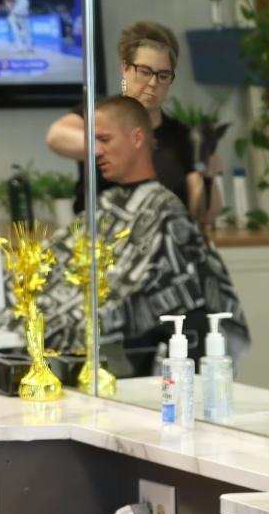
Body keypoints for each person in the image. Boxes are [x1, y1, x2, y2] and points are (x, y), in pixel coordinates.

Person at [38, 96, 248, 374]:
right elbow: (56, 136)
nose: (96, 151)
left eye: (105, 141)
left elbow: (201, 213)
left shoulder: (177, 147)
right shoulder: (108, 193)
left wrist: (205, 173)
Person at [45, 20, 222, 227]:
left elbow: (203, 213)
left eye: (163, 75)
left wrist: (209, 176)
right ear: (126, 68)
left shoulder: (181, 136)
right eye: (145, 72)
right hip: (103, 249)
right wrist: (110, 143)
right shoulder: (101, 115)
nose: (153, 83)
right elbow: (57, 136)